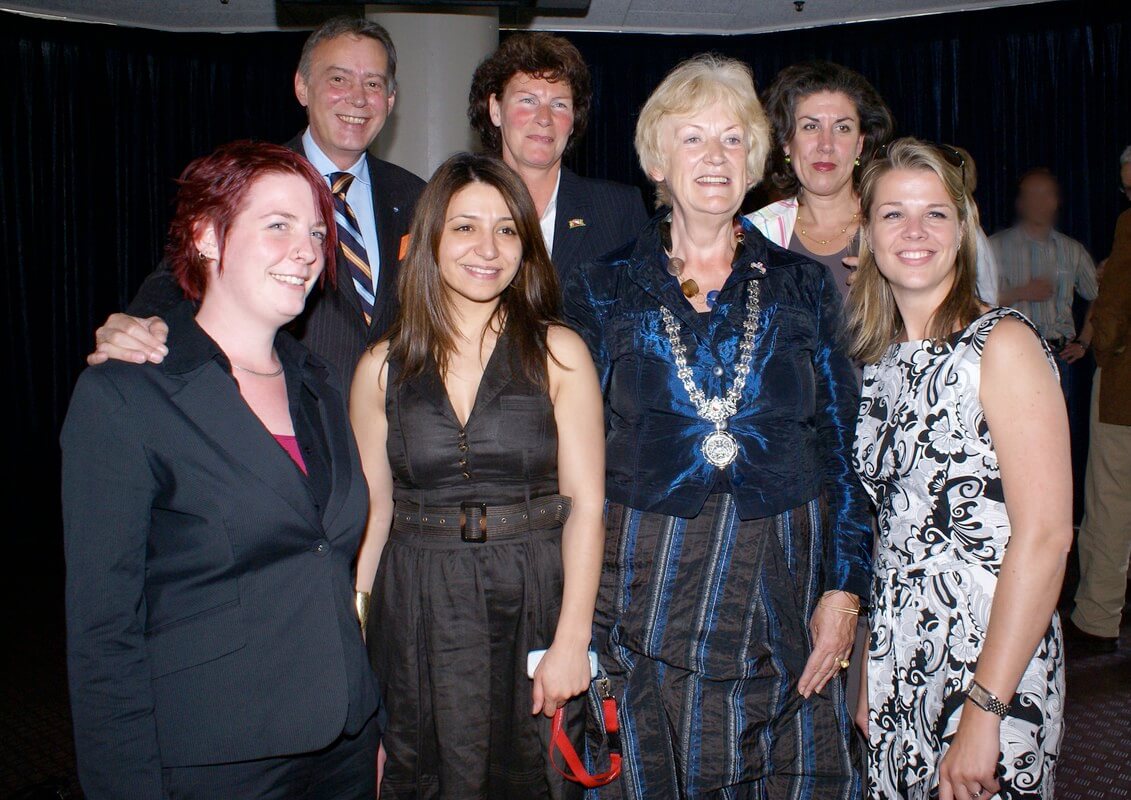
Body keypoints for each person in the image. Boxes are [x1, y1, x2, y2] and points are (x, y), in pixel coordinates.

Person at [563, 54, 871, 798]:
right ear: (657, 159)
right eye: (693, 138)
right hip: (644, 586)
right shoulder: (599, 287)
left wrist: (842, 593)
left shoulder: (801, 283)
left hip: (785, 586)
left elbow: (842, 449)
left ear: (755, 160)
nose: (714, 157)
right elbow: (569, 462)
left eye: (732, 140)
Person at [62, 141, 379, 798]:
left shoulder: (319, 385)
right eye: (278, 225)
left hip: (343, 745)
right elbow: (103, 633)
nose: (306, 249)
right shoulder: (127, 395)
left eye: (316, 232)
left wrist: (369, 726)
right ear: (207, 237)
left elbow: (325, 564)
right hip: (216, 760)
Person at [350, 152, 606, 798]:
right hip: (416, 601)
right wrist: (354, 643)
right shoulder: (380, 366)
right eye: (464, 227)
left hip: (532, 591)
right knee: (426, 774)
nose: (486, 248)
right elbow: (373, 514)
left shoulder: (559, 351)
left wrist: (572, 639)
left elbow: (587, 506)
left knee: (535, 776)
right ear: (430, 237)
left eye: (506, 229)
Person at [849, 138, 1069, 800]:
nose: (913, 231)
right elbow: (887, 530)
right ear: (865, 233)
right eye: (892, 214)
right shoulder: (877, 360)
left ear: (963, 228)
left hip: (990, 657)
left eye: (934, 213)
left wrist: (984, 708)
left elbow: (1046, 538)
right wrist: (868, 661)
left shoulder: (1001, 345)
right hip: (897, 654)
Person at [88, 16, 426, 386]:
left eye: (373, 83)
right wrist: (137, 324)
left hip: (391, 427)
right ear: (302, 86)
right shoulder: (250, 181)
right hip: (288, 415)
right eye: (338, 79)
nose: (358, 97)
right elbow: (181, 273)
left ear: (390, 100)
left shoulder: (415, 195)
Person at [468, 32, 648, 281]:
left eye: (559, 105)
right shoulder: (459, 207)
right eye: (528, 100)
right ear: (495, 110)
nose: (544, 118)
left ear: (573, 121)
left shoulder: (618, 210)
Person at [745, 60, 893, 299]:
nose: (826, 145)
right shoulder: (754, 234)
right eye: (810, 126)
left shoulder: (898, 227)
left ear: (860, 144)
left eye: (842, 128)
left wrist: (898, 287)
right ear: (785, 143)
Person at [1068, 151, 1131, 654]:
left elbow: (1110, 316)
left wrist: (1101, 347)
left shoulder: (1130, 225)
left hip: (1124, 391)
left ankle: (1097, 618)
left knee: (1110, 504)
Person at [991, 167, 1098, 377]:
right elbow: (974, 302)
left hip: (1058, 358)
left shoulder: (1072, 250)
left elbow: (1098, 296)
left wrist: (1084, 342)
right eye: (1032, 195)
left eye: (1046, 195)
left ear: (1056, 201)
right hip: (1010, 357)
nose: (1039, 202)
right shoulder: (995, 248)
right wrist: (1019, 293)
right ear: (1020, 202)